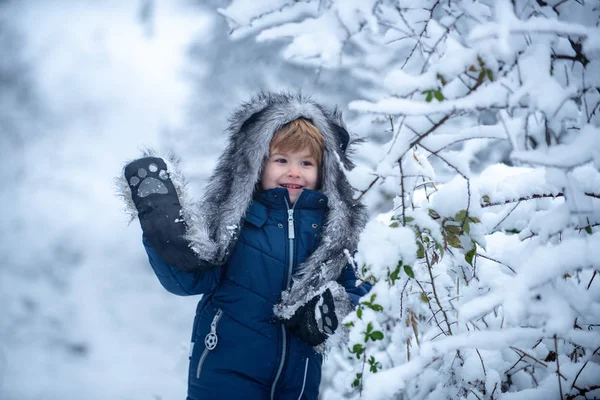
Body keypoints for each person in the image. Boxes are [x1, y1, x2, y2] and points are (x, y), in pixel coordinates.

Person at [118, 92, 371, 400]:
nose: (294, 171)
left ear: (326, 172)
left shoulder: (335, 236)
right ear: (255, 166)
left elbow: (360, 289)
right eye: (281, 160)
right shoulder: (234, 222)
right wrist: (163, 232)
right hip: (225, 372)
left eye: (306, 162)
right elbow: (187, 279)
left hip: (299, 381)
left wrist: (334, 309)